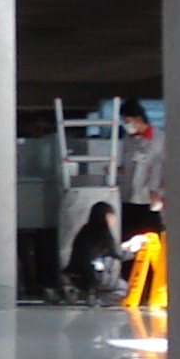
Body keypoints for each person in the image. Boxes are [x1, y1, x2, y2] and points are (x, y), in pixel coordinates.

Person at [117, 100, 165, 241]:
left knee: (150, 237)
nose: (127, 126)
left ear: (139, 119)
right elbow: (126, 163)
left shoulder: (160, 139)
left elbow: (164, 167)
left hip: (149, 198)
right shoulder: (128, 140)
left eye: (128, 121)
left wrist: (159, 192)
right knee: (128, 236)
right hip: (128, 197)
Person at [66, 201, 128, 306]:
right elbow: (118, 254)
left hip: (74, 275)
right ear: (107, 216)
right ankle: (99, 300)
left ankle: (84, 294)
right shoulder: (103, 232)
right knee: (123, 287)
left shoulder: (85, 230)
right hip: (94, 277)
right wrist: (133, 247)